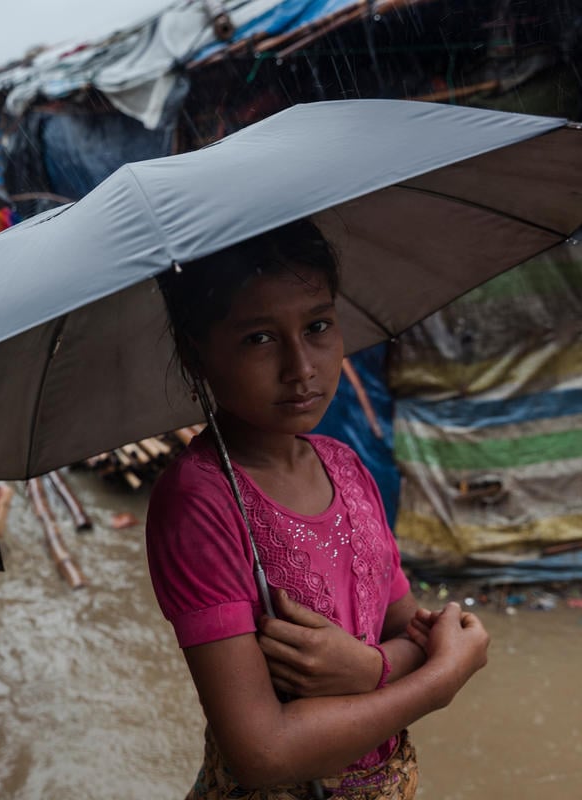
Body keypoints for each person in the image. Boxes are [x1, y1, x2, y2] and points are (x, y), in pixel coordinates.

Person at [145, 220, 490, 799]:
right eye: (260, 338)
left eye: (318, 326)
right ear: (194, 351)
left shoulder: (345, 466)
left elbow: (404, 625)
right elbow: (262, 750)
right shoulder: (199, 503)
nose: (300, 367)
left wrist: (372, 669)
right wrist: (436, 681)